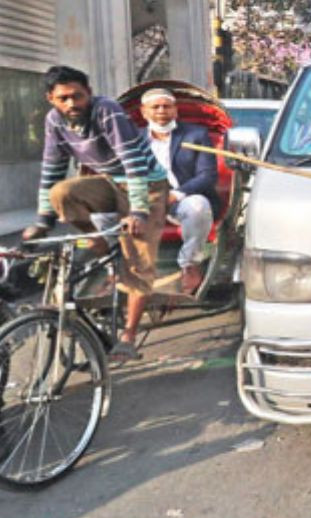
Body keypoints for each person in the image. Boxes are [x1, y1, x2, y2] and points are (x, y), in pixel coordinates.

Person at [23, 66, 169, 361]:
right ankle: (102, 248)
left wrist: (139, 211)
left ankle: (128, 335)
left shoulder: (107, 111)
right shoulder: (54, 121)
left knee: (137, 260)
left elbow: (133, 162)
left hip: (147, 185)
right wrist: (43, 220)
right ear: (50, 98)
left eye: (77, 96)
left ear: (88, 93)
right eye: (63, 98)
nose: (71, 104)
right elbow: (52, 169)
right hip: (109, 182)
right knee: (62, 193)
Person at [89, 88, 216, 295]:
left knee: (199, 206)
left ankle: (190, 264)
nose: (161, 111)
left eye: (166, 106)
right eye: (155, 107)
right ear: (144, 112)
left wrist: (175, 195)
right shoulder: (130, 139)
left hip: (178, 199)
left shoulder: (196, 135)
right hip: (139, 201)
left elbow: (207, 176)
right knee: (99, 216)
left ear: (175, 110)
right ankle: (114, 268)